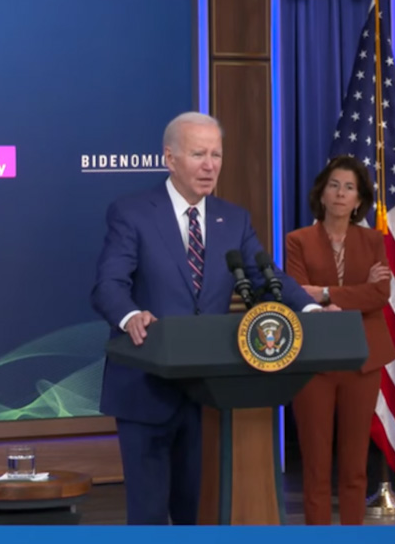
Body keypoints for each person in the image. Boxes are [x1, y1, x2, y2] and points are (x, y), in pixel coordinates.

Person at [91, 111, 333, 525]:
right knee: (148, 513)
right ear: (170, 158)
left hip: (207, 391)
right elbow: (108, 284)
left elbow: (264, 275)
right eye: (198, 154)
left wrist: (311, 310)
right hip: (145, 386)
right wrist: (130, 314)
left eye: (217, 154)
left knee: (194, 511)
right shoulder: (132, 212)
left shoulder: (232, 219)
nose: (210, 165)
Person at [284, 155, 394, 525]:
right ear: (322, 192)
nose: (341, 193)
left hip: (362, 360)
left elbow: (379, 295)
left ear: (359, 198)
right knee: (315, 465)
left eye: (349, 187)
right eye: (334, 185)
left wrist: (327, 294)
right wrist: (349, 293)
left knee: (354, 465)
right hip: (314, 360)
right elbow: (298, 293)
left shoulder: (373, 239)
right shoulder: (297, 240)